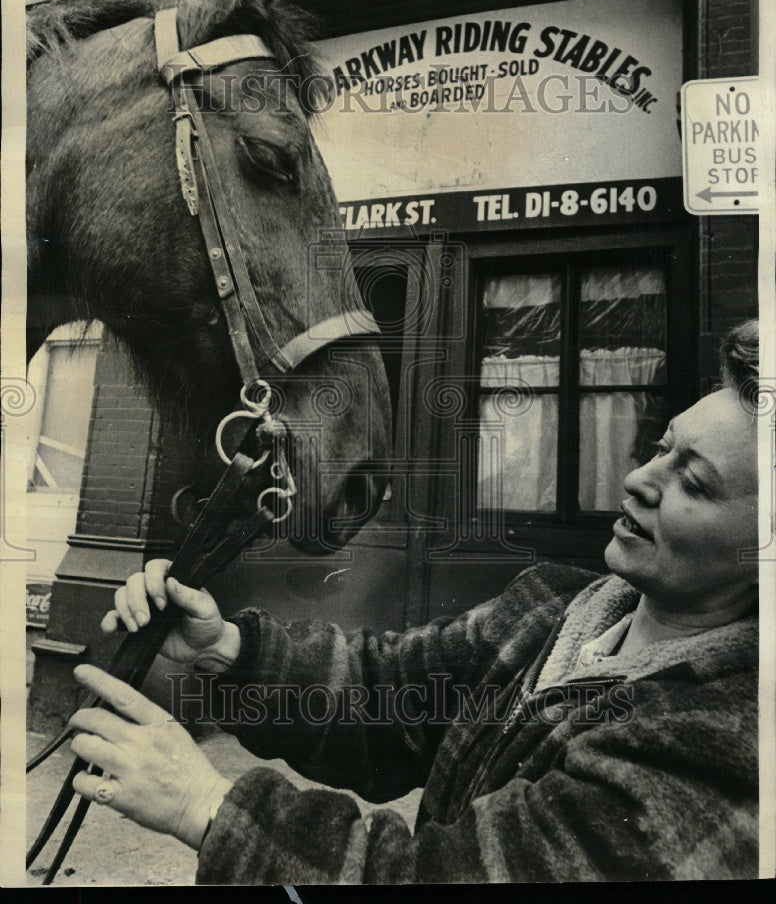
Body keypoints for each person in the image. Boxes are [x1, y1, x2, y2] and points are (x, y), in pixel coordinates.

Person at [70, 320, 761, 882]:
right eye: (660, 449)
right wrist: (230, 652)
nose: (640, 479)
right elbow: (388, 692)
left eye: (693, 483)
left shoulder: (720, 750)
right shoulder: (553, 609)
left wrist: (206, 803)